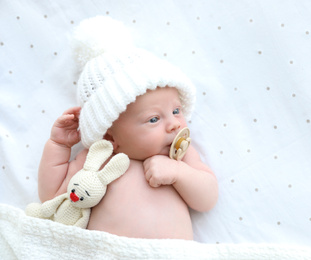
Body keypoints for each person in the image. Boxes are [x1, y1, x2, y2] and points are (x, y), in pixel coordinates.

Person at [37, 16, 218, 240]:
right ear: (110, 137)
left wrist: (180, 174)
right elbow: (52, 197)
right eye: (154, 119)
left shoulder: (180, 158)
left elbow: (207, 199)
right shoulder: (97, 159)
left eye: (176, 111)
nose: (174, 124)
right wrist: (59, 145)